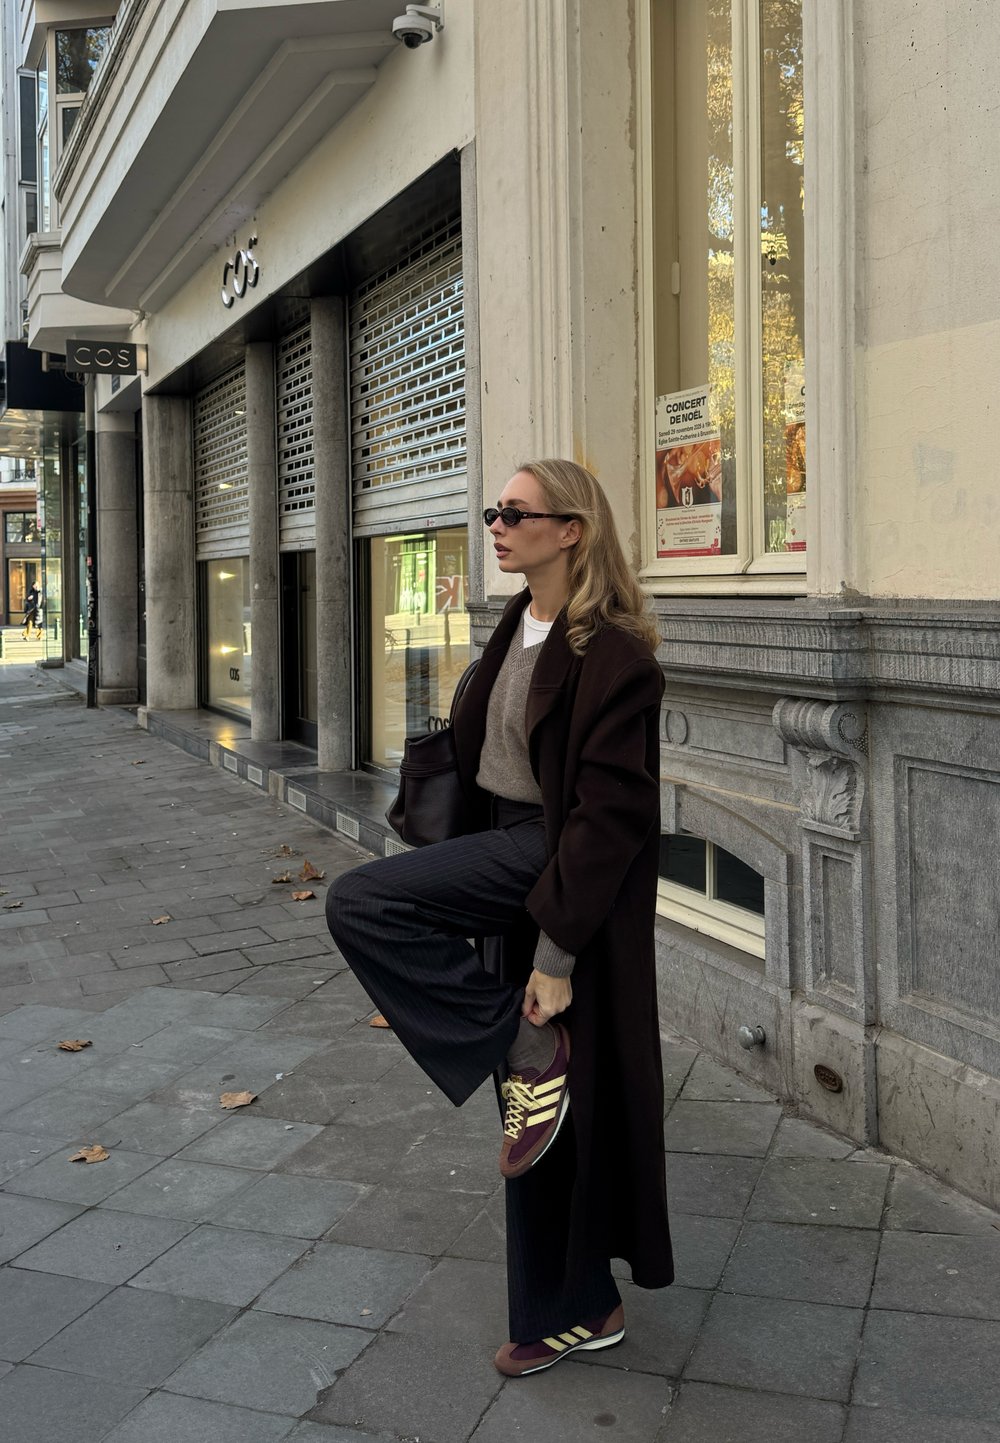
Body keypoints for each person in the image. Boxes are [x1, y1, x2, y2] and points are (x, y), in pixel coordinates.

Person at [326, 458, 673, 1376]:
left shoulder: (618, 657)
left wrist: (555, 953)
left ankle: (578, 1296)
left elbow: (611, 818)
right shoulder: (514, 625)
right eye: (493, 511)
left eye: (516, 513)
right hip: (505, 863)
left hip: (559, 874)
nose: (497, 525)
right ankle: (577, 1305)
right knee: (539, 1116)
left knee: (362, 899)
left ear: (572, 530)